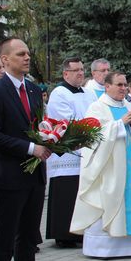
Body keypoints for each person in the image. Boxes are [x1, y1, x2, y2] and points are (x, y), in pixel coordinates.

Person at [0, 39, 55, 261]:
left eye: (28, 53)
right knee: (5, 238)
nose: (27, 57)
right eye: (20, 54)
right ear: (5, 59)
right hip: (10, 175)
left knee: (27, 237)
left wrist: (51, 139)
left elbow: (38, 126)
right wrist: (29, 148)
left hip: (35, 174)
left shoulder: (35, 90)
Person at [70, 71, 131, 257]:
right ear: (107, 86)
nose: (123, 88)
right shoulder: (97, 107)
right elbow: (92, 137)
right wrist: (120, 124)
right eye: (119, 85)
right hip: (109, 168)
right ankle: (103, 248)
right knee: (109, 200)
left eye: (125, 85)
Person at [45, 58, 97, 248]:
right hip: (68, 151)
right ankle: (63, 234)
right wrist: (90, 127)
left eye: (82, 70)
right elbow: (65, 120)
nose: (80, 73)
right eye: (76, 70)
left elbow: (96, 115)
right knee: (66, 193)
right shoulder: (59, 93)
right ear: (66, 73)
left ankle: (79, 231)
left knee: (80, 192)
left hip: (87, 148)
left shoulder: (88, 92)